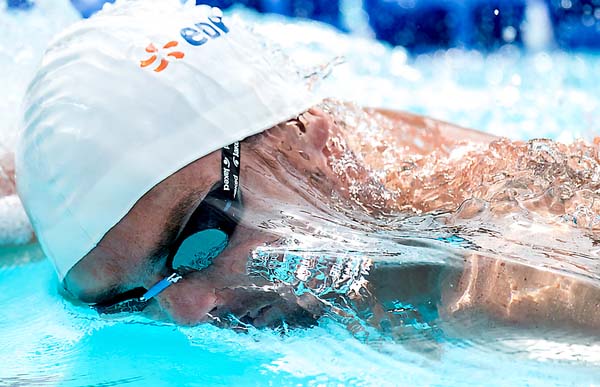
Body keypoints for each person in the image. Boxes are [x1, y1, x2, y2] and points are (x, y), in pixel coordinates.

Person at [11, 1, 600, 333]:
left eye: (196, 244)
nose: (189, 313)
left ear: (312, 142)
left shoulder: (505, 292)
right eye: (131, 297)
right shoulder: (286, 154)